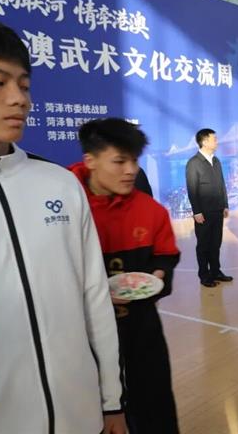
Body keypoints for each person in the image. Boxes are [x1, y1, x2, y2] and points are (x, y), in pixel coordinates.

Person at [0, 14, 126, 434]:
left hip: (81, 417)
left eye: (25, 85)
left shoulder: (59, 183)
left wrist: (111, 402)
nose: (19, 99)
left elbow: (94, 298)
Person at [69, 118, 181, 433]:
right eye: (119, 161)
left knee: (154, 402)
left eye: (134, 160)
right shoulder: (63, 205)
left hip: (141, 326)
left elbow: (166, 256)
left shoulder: (151, 210)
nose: (130, 170)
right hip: (82, 333)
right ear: (90, 160)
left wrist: (159, 274)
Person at [186, 128, 232, 287]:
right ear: (204, 141)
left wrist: (225, 204)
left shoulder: (216, 161)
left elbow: (221, 184)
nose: (217, 142)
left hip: (218, 210)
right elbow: (192, 188)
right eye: (214, 139)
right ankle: (204, 276)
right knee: (204, 245)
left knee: (215, 244)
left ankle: (216, 272)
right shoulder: (194, 163)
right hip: (203, 213)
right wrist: (197, 211)